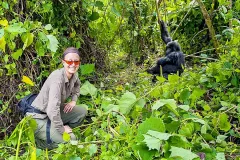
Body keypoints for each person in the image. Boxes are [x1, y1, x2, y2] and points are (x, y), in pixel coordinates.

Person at [27, 47, 87, 149]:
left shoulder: (74, 75)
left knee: (82, 111)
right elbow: (51, 110)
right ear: (63, 62)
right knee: (71, 140)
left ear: (79, 63)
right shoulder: (57, 79)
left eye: (76, 62)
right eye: (69, 61)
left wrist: (73, 101)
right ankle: (40, 142)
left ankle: (57, 131)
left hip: (52, 113)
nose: (73, 64)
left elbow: (77, 87)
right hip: (38, 117)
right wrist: (62, 130)